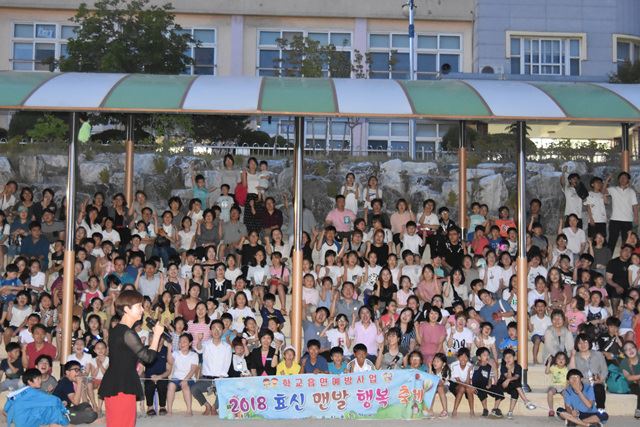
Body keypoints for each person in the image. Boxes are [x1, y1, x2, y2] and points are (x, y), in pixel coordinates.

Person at [99, 290, 165, 427]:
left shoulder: (118, 329)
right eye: (139, 306)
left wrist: (137, 361)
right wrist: (157, 335)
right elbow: (148, 357)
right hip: (121, 385)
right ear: (127, 309)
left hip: (116, 382)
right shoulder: (127, 332)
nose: (142, 309)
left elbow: (125, 354)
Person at [190, 319, 232, 416]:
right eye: (214, 328)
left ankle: (214, 407)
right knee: (194, 388)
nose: (216, 331)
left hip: (220, 379)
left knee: (224, 388)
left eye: (219, 328)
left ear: (223, 331)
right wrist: (199, 340)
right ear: (210, 331)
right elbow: (199, 349)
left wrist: (221, 378)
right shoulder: (205, 344)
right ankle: (207, 406)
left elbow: (227, 364)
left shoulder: (227, 347)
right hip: (206, 379)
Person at [620, 341, 640, 419]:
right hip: (632, 385)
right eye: (627, 349)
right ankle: (638, 409)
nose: (630, 350)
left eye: (632, 347)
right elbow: (629, 377)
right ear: (624, 353)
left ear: (636, 348)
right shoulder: (624, 362)